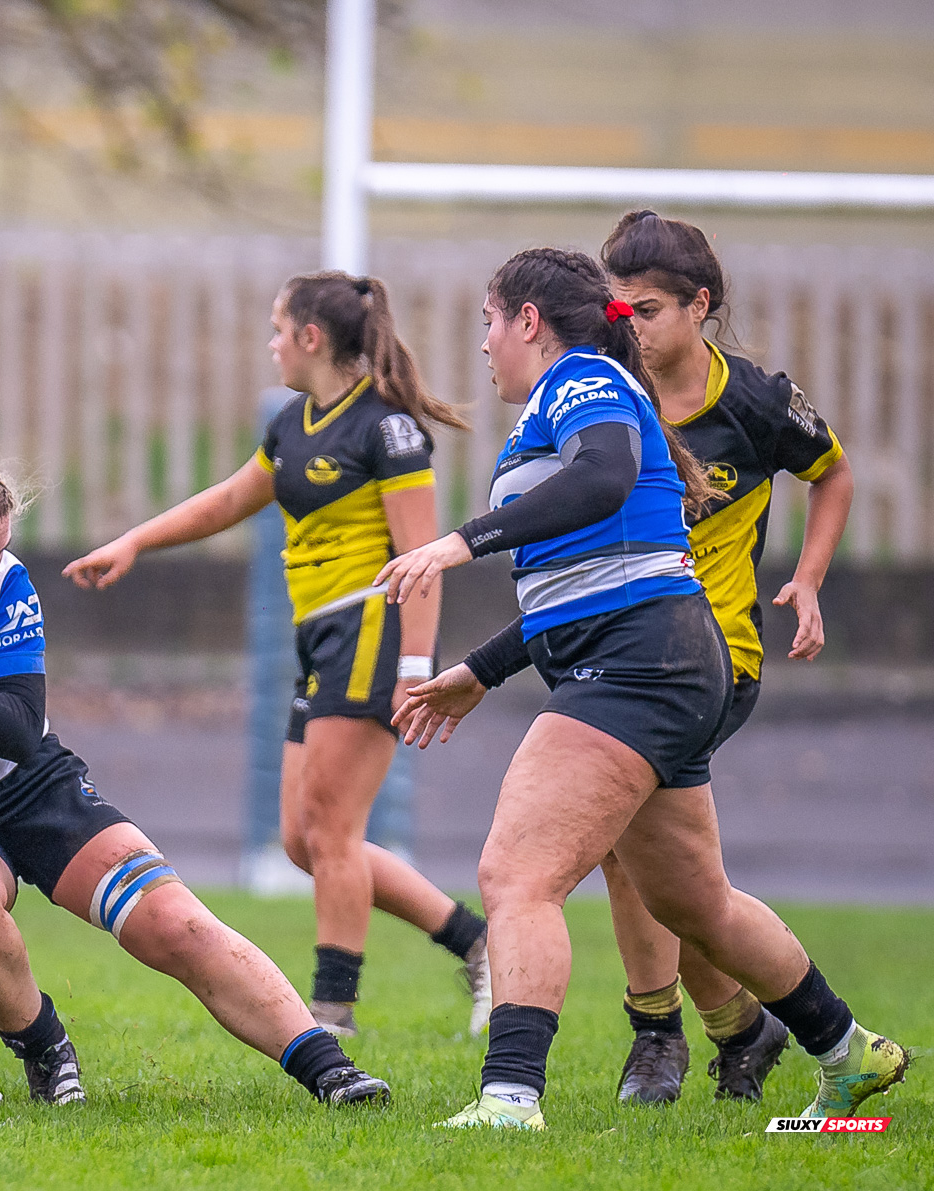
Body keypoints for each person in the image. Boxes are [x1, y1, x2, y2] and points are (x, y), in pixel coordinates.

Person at [380, 247, 909, 1130]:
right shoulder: (582, 391)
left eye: (487, 321)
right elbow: (590, 580)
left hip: (636, 667)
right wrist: (481, 669)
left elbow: (604, 478)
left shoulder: (580, 380)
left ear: (528, 322)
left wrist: (460, 541)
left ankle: (511, 1099)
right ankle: (850, 1053)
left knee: (516, 876)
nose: (481, 346)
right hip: (660, 657)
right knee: (694, 903)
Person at [0, 448, 392, 1108]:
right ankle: (46, 1046)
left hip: (29, 782)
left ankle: (330, 1069)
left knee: (172, 920)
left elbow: (21, 727)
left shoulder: (7, 586)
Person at [64, 272, 491, 1039]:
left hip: (371, 631)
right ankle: (477, 941)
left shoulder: (386, 430)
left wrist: (417, 671)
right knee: (305, 839)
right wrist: (135, 542)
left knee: (329, 830)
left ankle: (334, 1014)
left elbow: (422, 557)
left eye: (277, 328)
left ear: (311, 338)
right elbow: (229, 500)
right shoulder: (295, 424)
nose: (271, 343)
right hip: (320, 639)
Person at [595, 210, 856, 1105]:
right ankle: (746, 1030)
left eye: (650, 309)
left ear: (700, 306)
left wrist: (809, 579)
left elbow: (833, 470)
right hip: (615, 648)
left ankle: (658, 1037)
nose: (630, 326)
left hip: (712, 658)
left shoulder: (752, 401)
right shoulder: (601, 392)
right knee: (662, 871)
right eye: (617, 310)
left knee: (626, 842)